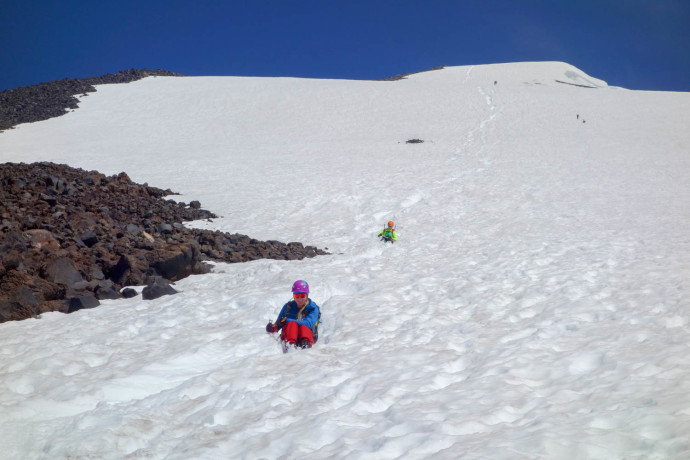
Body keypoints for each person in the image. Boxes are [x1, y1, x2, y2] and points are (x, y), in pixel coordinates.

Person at [266, 280, 321, 349]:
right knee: (292, 324)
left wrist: (287, 320)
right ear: (293, 296)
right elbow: (278, 324)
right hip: (288, 337)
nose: (299, 299)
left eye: (302, 295)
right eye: (296, 295)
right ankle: (291, 345)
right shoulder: (288, 307)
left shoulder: (313, 308)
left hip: (307, 337)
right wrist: (273, 327)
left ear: (307, 295)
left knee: (303, 326)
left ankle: (305, 344)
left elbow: (309, 324)